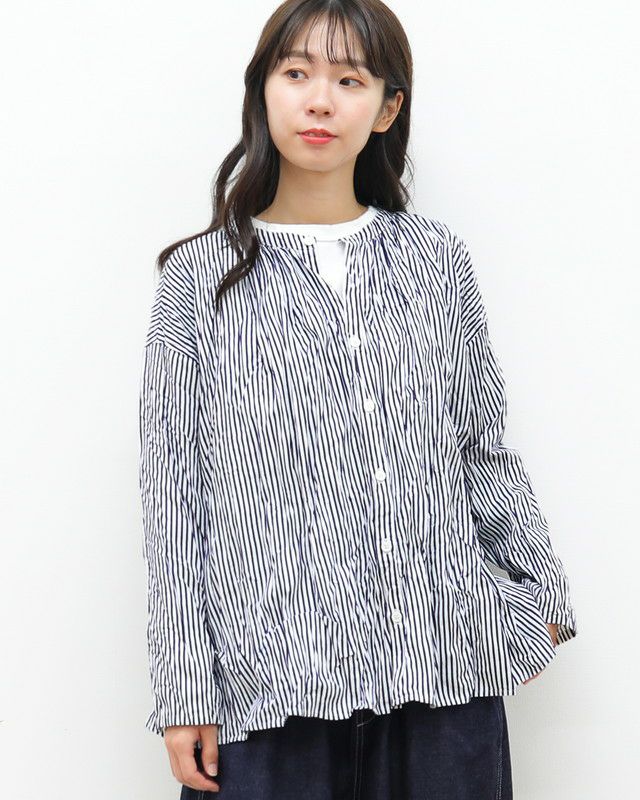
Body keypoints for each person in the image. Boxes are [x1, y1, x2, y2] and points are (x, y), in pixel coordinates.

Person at [138, 1, 578, 798]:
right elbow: (174, 497)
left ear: (386, 108)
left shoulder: (436, 261)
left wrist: (539, 595)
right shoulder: (197, 281)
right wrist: (183, 690)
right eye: (296, 73)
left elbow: (480, 444)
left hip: (444, 670)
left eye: (349, 80)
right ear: (263, 91)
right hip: (270, 685)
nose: (319, 101)